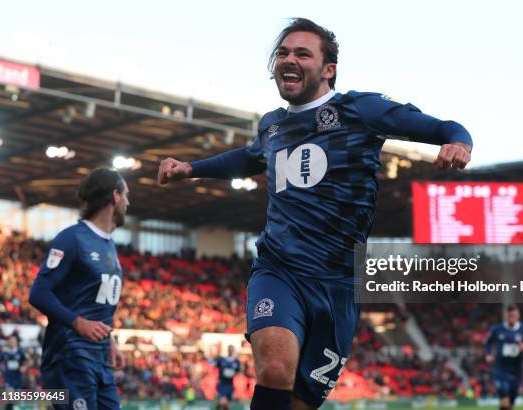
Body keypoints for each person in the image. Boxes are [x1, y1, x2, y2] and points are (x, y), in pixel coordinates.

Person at [158, 18, 472, 409]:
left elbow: (444, 126)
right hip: (280, 270)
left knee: (299, 403)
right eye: (283, 53)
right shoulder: (272, 126)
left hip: (339, 284)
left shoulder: (361, 110)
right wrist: (193, 169)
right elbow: (250, 157)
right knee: (274, 368)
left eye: (302, 53)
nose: (289, 59)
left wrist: (458, 141)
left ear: (328, 70)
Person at [29, 168, 129, 409]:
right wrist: (78, 322)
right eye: (126, 195)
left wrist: (110, 341)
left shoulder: (109, 244)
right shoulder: (72, 239)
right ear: (114, 197)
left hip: (99, 356)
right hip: (69, 355)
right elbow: (39, 293)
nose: (129, 201)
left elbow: (95, 303)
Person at [485, 305, 523, 410]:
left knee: (511, 398)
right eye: (509, 315)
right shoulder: (497, 329)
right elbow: (488, 343)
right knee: (504, 391)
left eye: (513, 315)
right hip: (501, 368)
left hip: (516, 369)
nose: (511, 317)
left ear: (518, 316)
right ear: (506, 316)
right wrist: (488, 354)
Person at [214, 345, 241, 410]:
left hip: (230, 385)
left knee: (226, 405)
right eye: (229, 349)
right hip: (222, 384)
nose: (230, 350)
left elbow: (238, 371)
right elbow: (215, 365)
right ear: (227, 350)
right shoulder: (222, 360)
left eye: (232, 349)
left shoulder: (236, 361)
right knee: (222, 403)